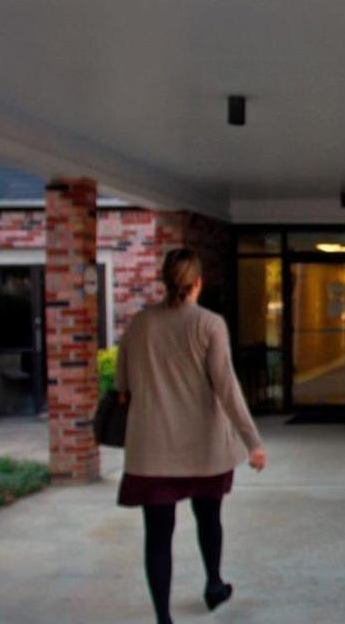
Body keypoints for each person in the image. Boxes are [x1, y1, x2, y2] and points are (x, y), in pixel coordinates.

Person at [115, 248, 267, 624]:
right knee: (209, 517)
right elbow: (227, 387)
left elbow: (122, 387)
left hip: (153, 451)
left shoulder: (139, 325)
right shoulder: (209, 324)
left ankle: (163, 618)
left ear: (166, 281)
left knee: (158, 536)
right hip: (204, 448)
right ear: (197, 282)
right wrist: (253, 441)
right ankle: (214, 585)